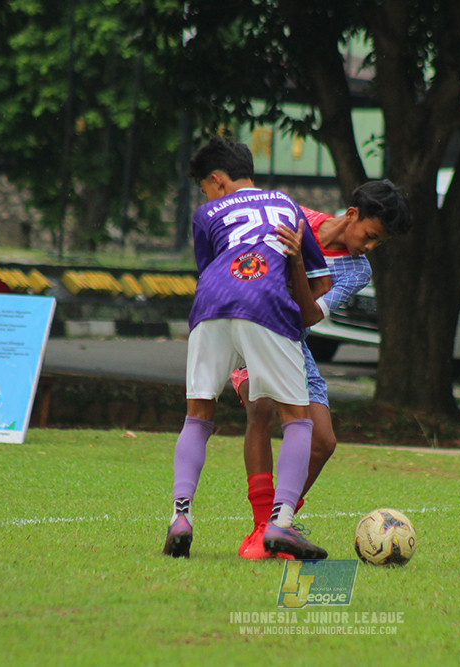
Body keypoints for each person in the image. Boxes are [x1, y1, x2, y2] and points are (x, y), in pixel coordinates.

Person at [164, 136, 332, 560]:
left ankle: (180, 516)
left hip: (211, 304)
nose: (207, 193)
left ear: (217, 181)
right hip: (266, 304)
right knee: (297, 419)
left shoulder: (206, 213)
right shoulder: (288, 206)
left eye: (205, 186)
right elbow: (320, 282)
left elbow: (212, 269)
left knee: (198, 414)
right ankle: (281, 524)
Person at [233, 180, 412, 559]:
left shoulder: (357, 270)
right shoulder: (297, 219)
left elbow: (310, 314)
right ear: (352, 215)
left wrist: (298, 261)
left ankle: (281, 523)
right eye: (370, 235)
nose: (370, 247)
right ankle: (263, 527)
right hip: (250, 330)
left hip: (293, 341)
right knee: (261, 409)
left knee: (324, 440)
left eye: (379, 243)